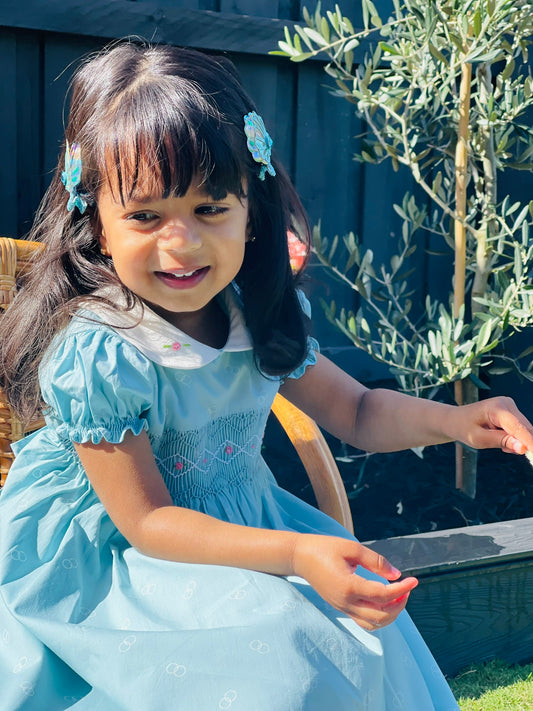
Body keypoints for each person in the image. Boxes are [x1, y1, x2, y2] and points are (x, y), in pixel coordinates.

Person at [0, 41, 531, 711]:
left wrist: (456, 420)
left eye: (209, 209)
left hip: (249, 528)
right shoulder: (102, 351)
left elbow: (359, 411)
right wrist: (297, 554)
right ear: (97, 225)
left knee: (354, 640)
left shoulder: (252, 314)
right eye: (144, 215)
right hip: (117, 564)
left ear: (251, 209)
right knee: (278, 670)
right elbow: (148, 521)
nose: (181, 242)